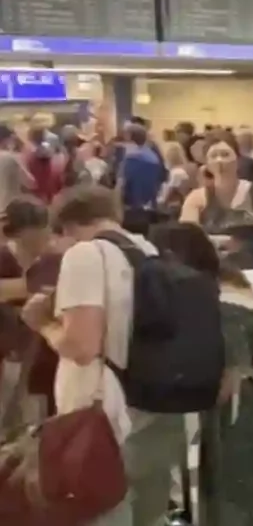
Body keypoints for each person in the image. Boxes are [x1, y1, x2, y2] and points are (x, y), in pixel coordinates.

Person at [22, 185, 186, 526]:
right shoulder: (148, 249)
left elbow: (82, 347)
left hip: (103, 412)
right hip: (159, 401)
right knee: (149, 512)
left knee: (102, 511)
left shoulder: (85, 255)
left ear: (66, 227)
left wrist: (43, 324)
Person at [147, 223, 253, 526]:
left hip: (247, 424)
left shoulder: (221, 307)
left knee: (251, 507)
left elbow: (228, 379)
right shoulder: (241, 283)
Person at [180, 140, 253, 273]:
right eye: (214, 156)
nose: (220, 161)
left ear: (237, 159)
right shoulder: (196, 197)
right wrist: (218, 241)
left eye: (225, 154)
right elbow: (186, 236)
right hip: (214, 272)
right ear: (207, 164)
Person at [0, 198, 58, 427]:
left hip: (36, 342)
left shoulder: (49, 258)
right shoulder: (5, 257)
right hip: (9, 338)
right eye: (39, 230)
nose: (46, 236)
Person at [116, 125, 166, 234]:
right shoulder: (153, 157)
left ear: (129, 137)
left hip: (132, 209)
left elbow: (122, 185)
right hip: (150, 206)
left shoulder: (132, 159)